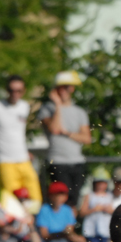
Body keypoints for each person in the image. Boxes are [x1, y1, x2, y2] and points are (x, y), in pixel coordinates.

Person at [38, 71, 92, 202]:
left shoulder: (80, 112)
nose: (62, 91)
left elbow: (87, 139)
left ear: (71, 89)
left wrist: (67, 133)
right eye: (60, 87)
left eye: (66, 87)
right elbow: (54, 128)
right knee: (60, 200)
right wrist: (57, 105)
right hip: (57, 162)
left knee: (74, 200)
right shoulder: (47, 109)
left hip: (76, 161)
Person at [79, 176, 115, 242]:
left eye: (103, 183)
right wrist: (94, 209)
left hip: (106, 231)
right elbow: (81, 213)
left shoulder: (110, 196)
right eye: (99, 183)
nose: (101, 185)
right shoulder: (89, 196)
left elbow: (114, 211)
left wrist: (108, 210)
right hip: (92, 231)